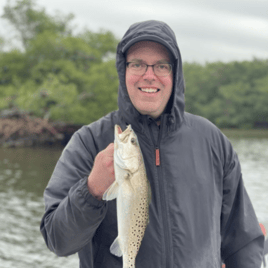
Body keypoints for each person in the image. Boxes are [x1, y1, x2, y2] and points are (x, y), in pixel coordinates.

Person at [40, 20, 264, 268]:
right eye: (137, 64)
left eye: (161, 66)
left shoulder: (212, 141)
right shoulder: (89, 141)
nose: (149, 75)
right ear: (123, 70)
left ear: (175, 74)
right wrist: (91, 190)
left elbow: (244, 242)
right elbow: (58, 241)